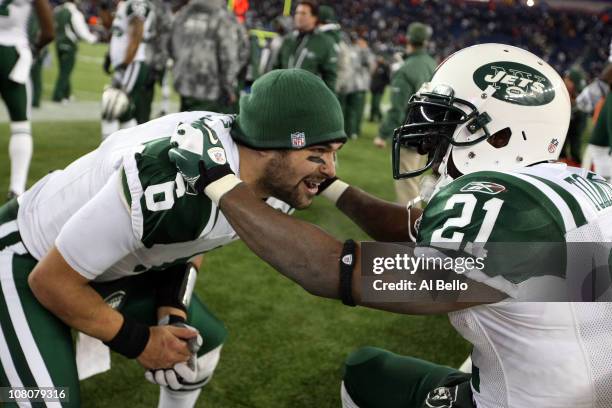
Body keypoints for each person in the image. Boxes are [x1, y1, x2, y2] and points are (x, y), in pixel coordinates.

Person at [171, 44, 612, 408]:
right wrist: (329, 184)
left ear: (502, 136)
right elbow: (410, 227)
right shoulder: (576, 189)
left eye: (450, 121)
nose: (430, 137)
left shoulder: (506, 207)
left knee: (366, 373)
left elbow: (333, 270)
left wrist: (218, 181)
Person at [0, 68, 345, 408]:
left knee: (196, 351)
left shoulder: (271, 181)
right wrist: (142, 343)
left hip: (113, 264)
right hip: (27, 256)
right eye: (318, 152)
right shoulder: (170, 177)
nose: (330, 170)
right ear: (270, 145)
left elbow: (197, 237)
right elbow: (50, 281)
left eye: (334, 152)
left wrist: (172, 309)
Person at [374, 22, 436, 206]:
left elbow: (397, 107)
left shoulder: (406, 68)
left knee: (407, 187)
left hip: (409, 134)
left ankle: (409, 229)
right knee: (414, 182)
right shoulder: (431, 63)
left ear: (408, 39)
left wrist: (383, 134)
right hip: (430, 133)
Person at [0, 0, 54, 199]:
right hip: (13, 53)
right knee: (21, 124)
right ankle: (16, 189)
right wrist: (36, 48)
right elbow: (49, 32)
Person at [168, 0, 240, 113]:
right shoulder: (222, 15)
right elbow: (229, 55)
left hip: (184, 84)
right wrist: (229, 86)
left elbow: (171, 45)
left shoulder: (183, 13)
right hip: (211, 87)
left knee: (185, 125)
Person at [100, 0, 155, 139]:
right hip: (126, 63)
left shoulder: (137, 4)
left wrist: (125, 64)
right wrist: (104, 7)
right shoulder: (124, 5)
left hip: (133, 63)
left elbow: (137, 33)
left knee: (113, 106)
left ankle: (108, 150)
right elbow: (113, 29)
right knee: (123, 111)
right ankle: (130, 146)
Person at [276, 0, 337, 91]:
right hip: (283, 93)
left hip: (308, 98)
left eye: (303, 13)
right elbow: (276, 67)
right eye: (297, 13)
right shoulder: (288, 40)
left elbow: (330, 77)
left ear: (314, 17)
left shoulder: (325, 42)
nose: (298, 16)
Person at [52, 0, 97, 104]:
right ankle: (57, 96)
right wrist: (93, 39)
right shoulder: (75, 13)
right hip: (69, 44)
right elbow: (81, 31)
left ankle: (66, 94)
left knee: (63, 70)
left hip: (58, 43)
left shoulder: (57, 10)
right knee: (65, 72)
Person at [369, 55, 390, 122]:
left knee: (376, 104)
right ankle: (371, 118)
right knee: (372, 104)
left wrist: (383, 86)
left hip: (380, 89)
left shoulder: (385, 67)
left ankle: (380, 117)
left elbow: (387, 79)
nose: (379, 59)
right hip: (373, 88)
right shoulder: (375, 66)